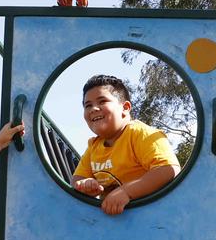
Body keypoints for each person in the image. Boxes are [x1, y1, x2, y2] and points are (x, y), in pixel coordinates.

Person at [71, 74, 180, 215]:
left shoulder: (139, 133)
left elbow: (168, 169)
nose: (93, 108)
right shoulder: (94, 147)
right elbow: (77, 179)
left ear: (125, 108)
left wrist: (126, 192)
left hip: (152, 215)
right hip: (117, 223)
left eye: (102, 101)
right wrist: (85, 185)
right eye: (88, 105)